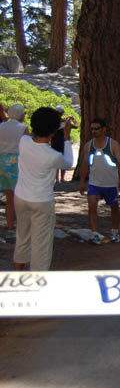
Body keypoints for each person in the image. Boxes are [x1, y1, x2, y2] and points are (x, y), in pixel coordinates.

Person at [13, 107, 75, 270]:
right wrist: (67, 137)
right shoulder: (53, 156)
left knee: (22, 238)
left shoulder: (23, 141)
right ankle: (37, 281)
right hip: (42, 201)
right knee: (41, 246)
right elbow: (68, 162)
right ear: (54, 131)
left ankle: (16, 275)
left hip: (20, 197)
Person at [79, 118, 120, 244]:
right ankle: (95, 234)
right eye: (92, 129)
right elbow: (84, 164)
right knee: (92, 206)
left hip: (110, 183)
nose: (94, 131)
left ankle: (115, 232)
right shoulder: (88, 146)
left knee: (114, 207)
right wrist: (82, 182)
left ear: (104, 129)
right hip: (94, 183)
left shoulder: (112, 144)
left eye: (97, 128)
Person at [0, 103, 29, 241]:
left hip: (2, 162)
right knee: (21, 197)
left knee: (9, 197)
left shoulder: (1, 126)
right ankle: (22, 228)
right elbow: (29, 146)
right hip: (17, 162)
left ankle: (10, 227)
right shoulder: (23, 128)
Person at [50, 105, 68, 183]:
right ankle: (61, 178)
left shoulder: (52, 122)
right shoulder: (62, 122)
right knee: (62, 160)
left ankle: (57, 178)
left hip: (54, 142)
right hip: (61, 142)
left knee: (56, 160)